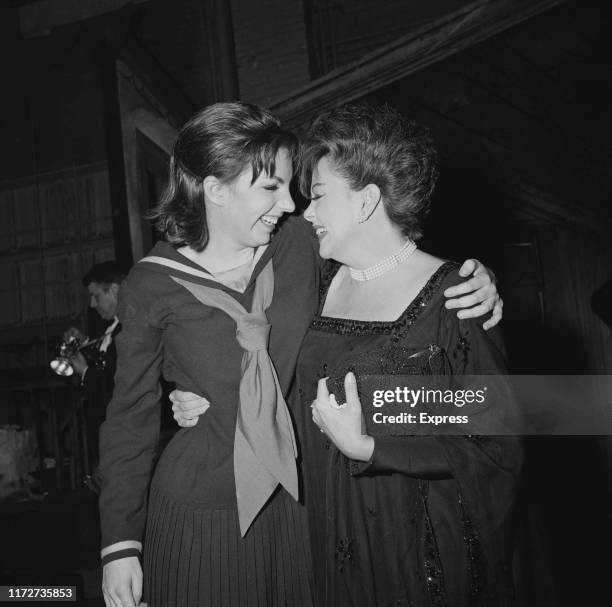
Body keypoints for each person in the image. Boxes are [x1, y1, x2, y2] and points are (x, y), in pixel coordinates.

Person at [100, 102, 502, 607]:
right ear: (216, 189)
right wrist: (119, 544)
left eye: (292, 188)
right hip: (200, 510)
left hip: (303, 505)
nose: (289, 205)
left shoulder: (300, 246)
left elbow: (383, 265)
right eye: (270, 188)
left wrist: (472, 277)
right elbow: (128, 419)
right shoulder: (151, 284)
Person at [297, 103, 522, 606]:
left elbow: (496, 445)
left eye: (316, 196)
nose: (306, 212)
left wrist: (372, 449)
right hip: (330, 539)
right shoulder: (315, 283)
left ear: (365, 201)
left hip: (418, 555)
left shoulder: (455, 298)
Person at [63, 261, 126, 483]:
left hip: (122, 441)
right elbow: (109, 362)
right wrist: (86, 343)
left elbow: (115, 384)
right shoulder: (114, 329)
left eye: (96, 296)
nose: (92, 304)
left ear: (115, 290)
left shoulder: (128, 331)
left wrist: (85, 372)